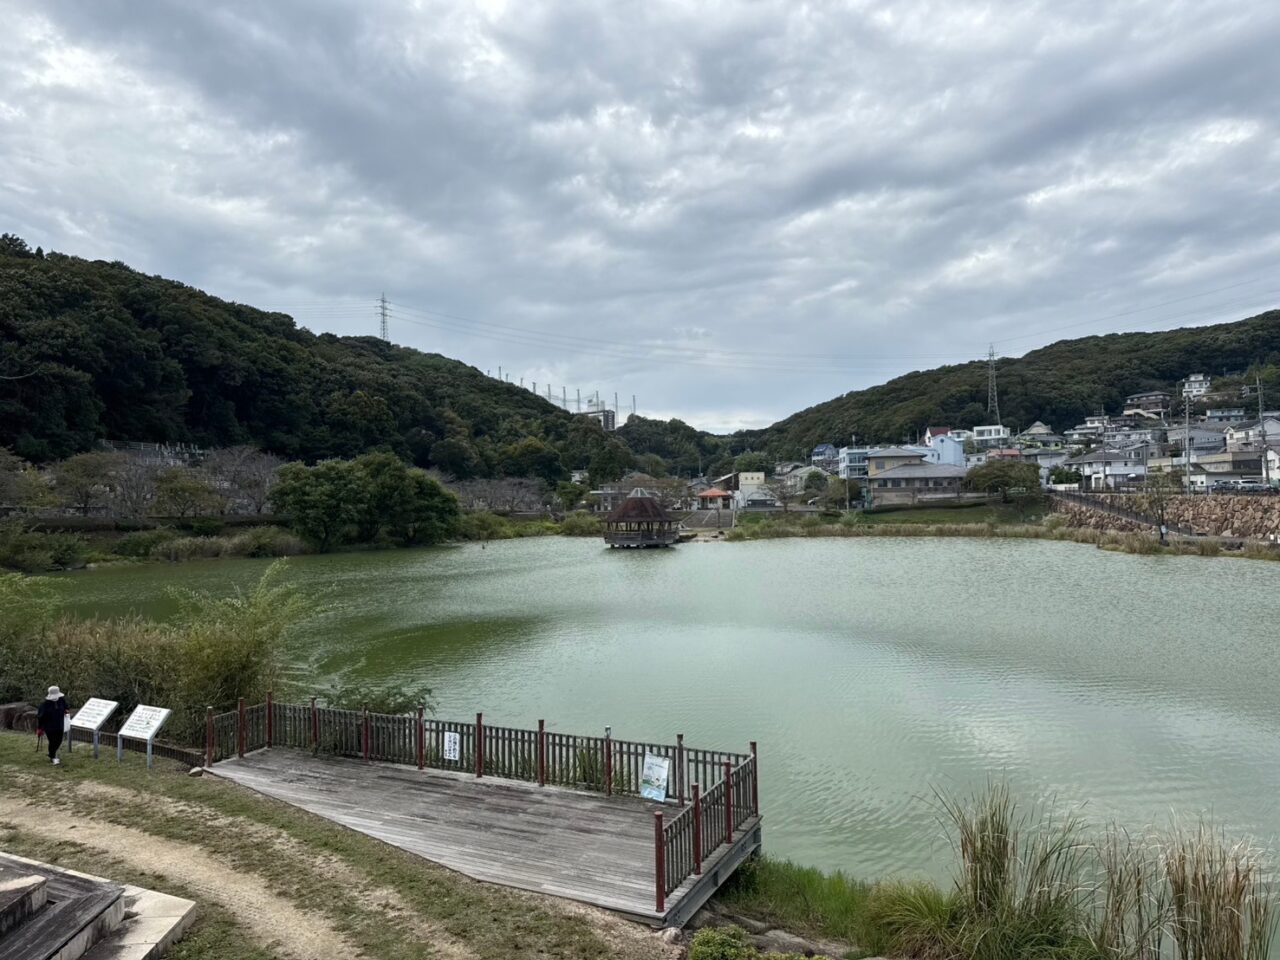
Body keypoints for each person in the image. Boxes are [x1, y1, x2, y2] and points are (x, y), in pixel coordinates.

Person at [36, 686, 69, 765]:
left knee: (59, 740)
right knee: (52, 741)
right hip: (49, 726)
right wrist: (40, 728)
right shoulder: (44, 705)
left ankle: (52, 753)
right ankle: (53, 756)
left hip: (60, 724)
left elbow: (66, 707)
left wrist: (66, 710)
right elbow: (41, 717)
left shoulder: (61, 700)